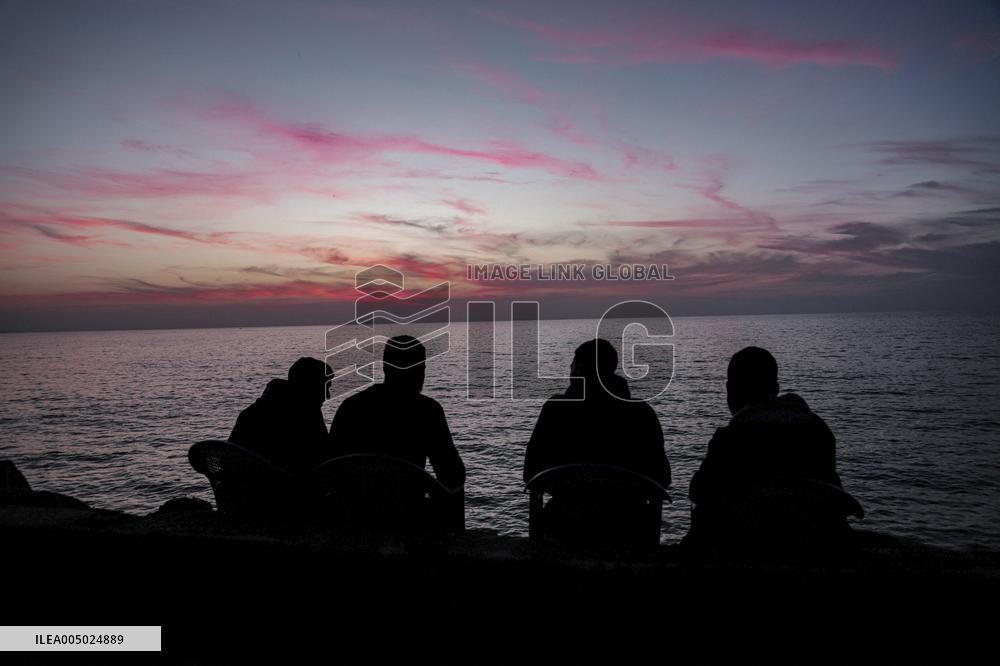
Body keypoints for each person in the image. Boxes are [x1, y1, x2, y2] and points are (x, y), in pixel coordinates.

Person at [687, 346, 850, 549]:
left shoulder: (730, 440)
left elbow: (699, 492)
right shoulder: (818, 432)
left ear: (730, 390)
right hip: (813, 546)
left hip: (743, 546)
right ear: (776, 388)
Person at [523, 338, 670, 487]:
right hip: (627, 501)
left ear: (579, 369)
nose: (570, 366)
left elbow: (530, 471)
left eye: (574, 363)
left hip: (568, 501)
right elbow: (662, 477)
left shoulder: (556, 409)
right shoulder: (642, 412)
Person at [328, 335, 465, 490]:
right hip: (406, 504)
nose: (420, 374)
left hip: (354, 503)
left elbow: (330, 468)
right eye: (419, 368)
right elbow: (453, 475)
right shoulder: (428, 411)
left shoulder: (351, 407)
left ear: (385, 367)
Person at [229, 357, 332, 477]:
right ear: (309, 386)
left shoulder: (251, 413)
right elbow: (323, 460)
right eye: (324, 388)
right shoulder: (306, 415)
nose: (327, 396)